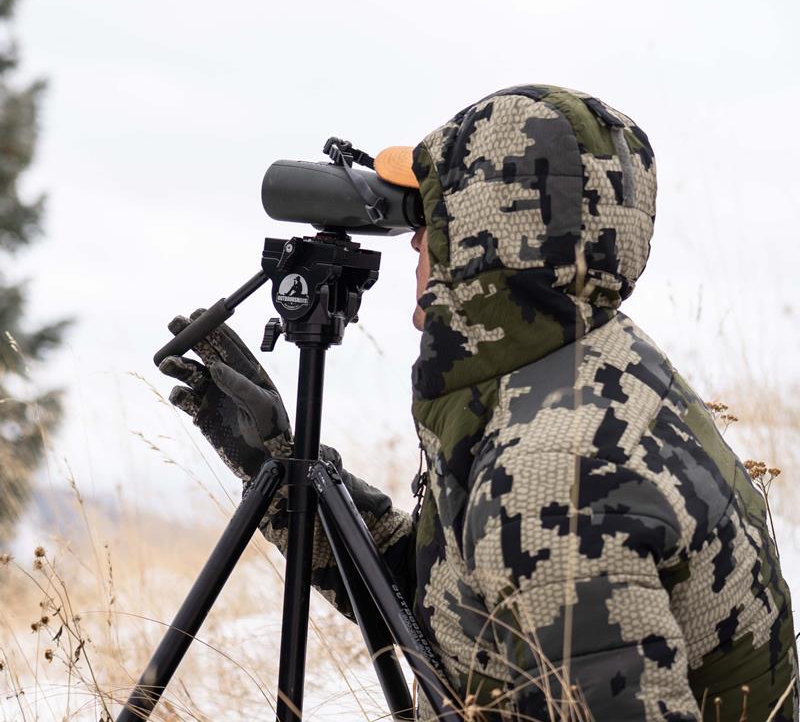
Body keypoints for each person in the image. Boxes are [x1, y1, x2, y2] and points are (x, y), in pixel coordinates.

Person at [158, 85, 798, 721]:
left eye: (435, 214)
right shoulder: (587, 367)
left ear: (490, 241)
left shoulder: (553, 474)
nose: (415, 241)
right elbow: (447, 601)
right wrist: (275, 460)